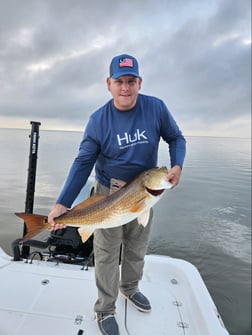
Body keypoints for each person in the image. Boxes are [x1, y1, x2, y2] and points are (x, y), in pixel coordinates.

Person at [48, 54, 186, 335]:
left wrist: (176, 164)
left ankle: (130, 288)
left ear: (139, 82)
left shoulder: (155, 108)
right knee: (107, 254)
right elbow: (83, 162)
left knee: (137, 249)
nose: (126, 87)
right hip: (107, 195)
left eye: (131, 81)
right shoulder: (99, 120)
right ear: (108, 84)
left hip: (144, 190)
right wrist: (63, 203)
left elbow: (176, 137)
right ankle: (105, 309)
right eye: (119, 81)